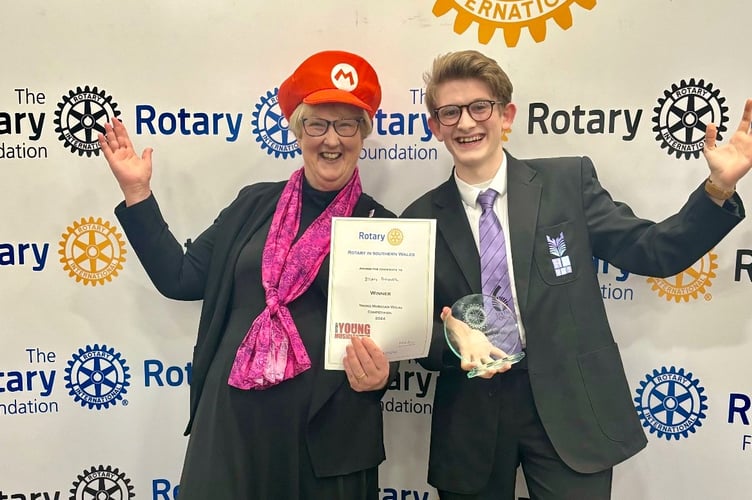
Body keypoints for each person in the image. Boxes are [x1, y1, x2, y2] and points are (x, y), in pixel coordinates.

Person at [401, 49, 752, 500]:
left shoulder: (567, 182)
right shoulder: (416, 220)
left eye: (479, 107)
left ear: (505, 115)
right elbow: (410, 335)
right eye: (450, 112)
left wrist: (719, 188)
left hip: (571, 408)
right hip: (470, 418)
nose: (466, 123)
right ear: (435, 126)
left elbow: (652, 252)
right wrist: (450, 339)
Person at [98, 50, 398, 500]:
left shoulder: (386, 228)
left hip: (328, 441)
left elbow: (398, 336)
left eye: (346, 124)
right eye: (317, 123)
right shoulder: (252, 205)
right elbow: (180, 278)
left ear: (362, 134)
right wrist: (137, 193)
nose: (331, 139)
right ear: (298, 131)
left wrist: (382, 376)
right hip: (234, 429)